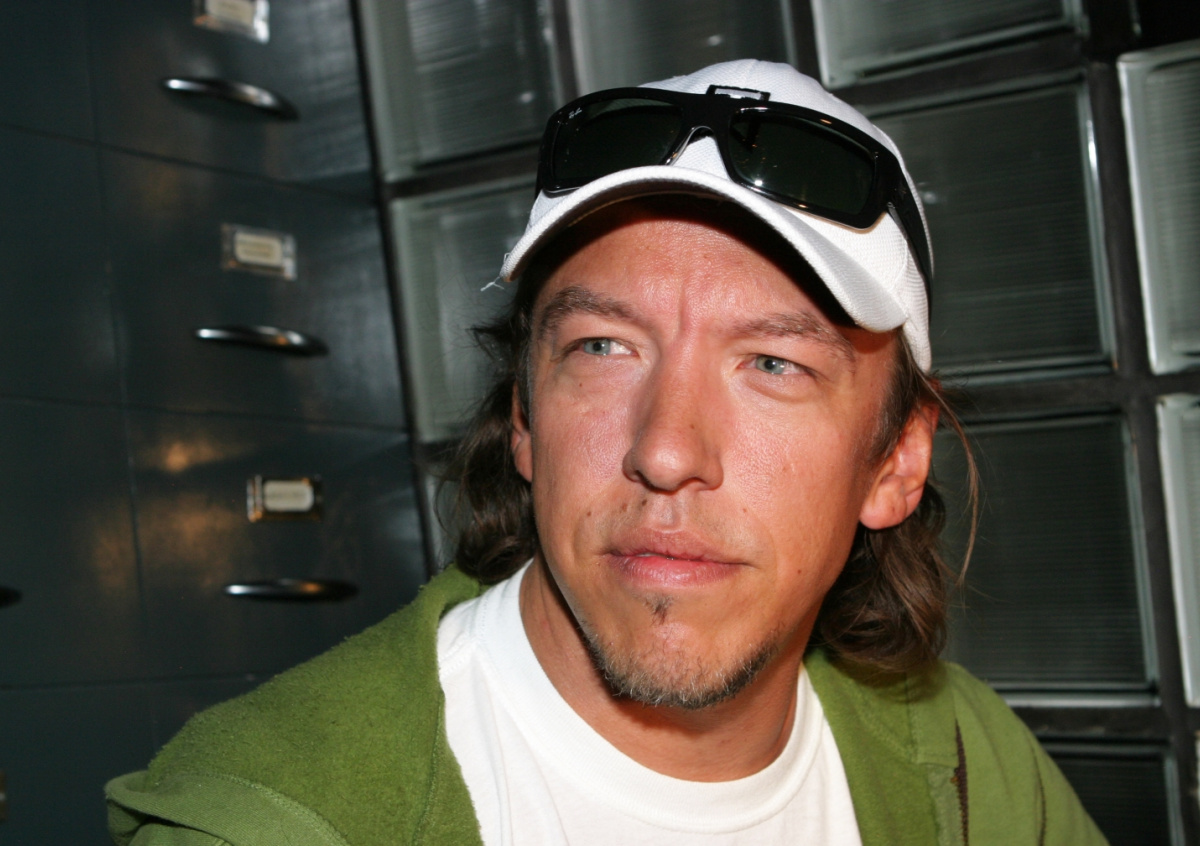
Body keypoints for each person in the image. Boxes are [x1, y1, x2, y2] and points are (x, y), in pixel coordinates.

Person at [107, 60, 1106, 845]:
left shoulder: (967, 771)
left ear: (895, 465)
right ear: (524, 419)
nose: (665, 451)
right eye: (602, 348)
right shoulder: (276, 818)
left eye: (772, 364)